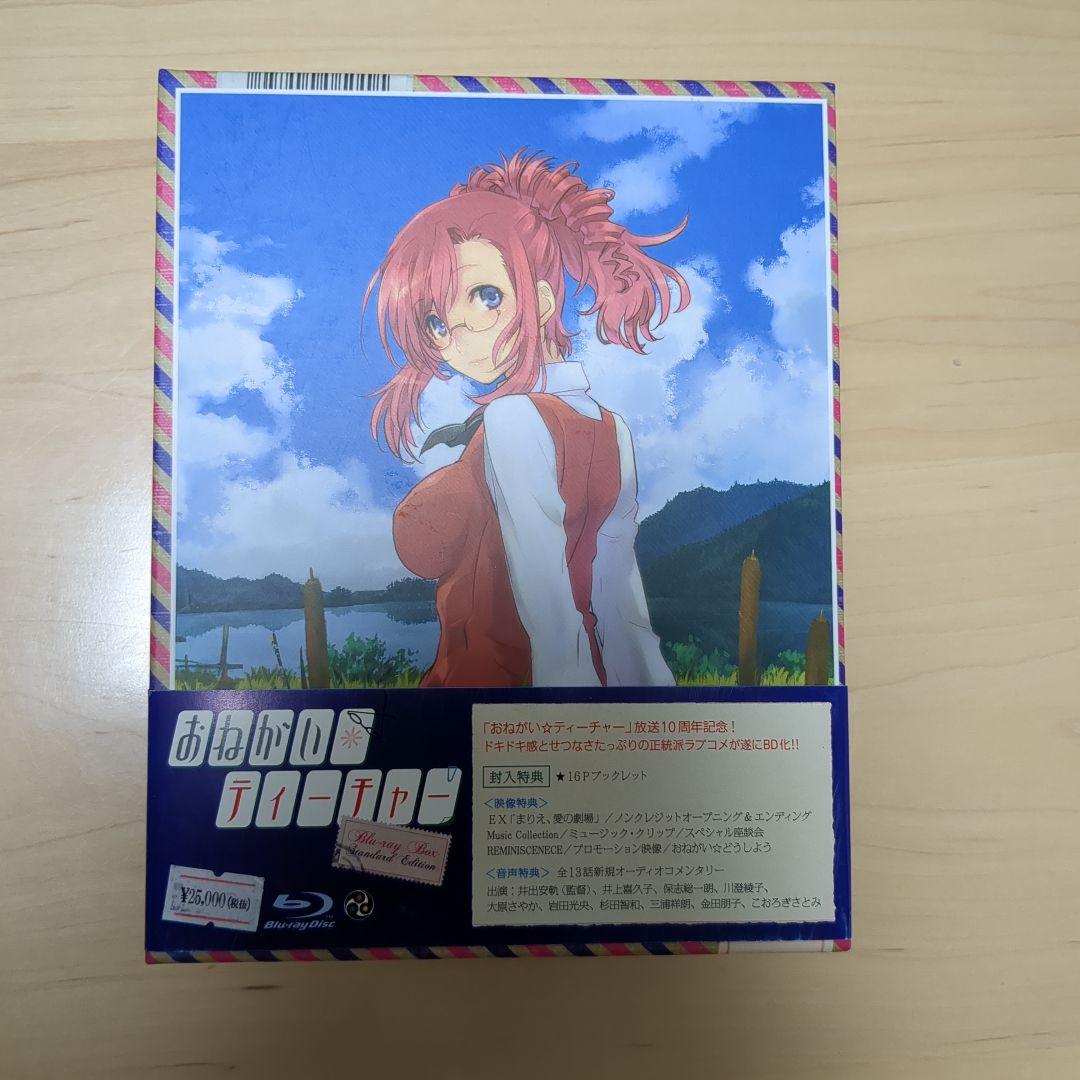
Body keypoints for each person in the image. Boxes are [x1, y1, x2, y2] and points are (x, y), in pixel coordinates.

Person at [366, 150, 689, 688]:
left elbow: (548, 602)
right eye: (435, 322)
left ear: (540, 301)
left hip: (492, 689)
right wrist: (652, 700)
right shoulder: (613, 429)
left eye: (485, 296)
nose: (459, 332)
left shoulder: (513, 419)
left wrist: (564, 715)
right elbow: (621, 606)